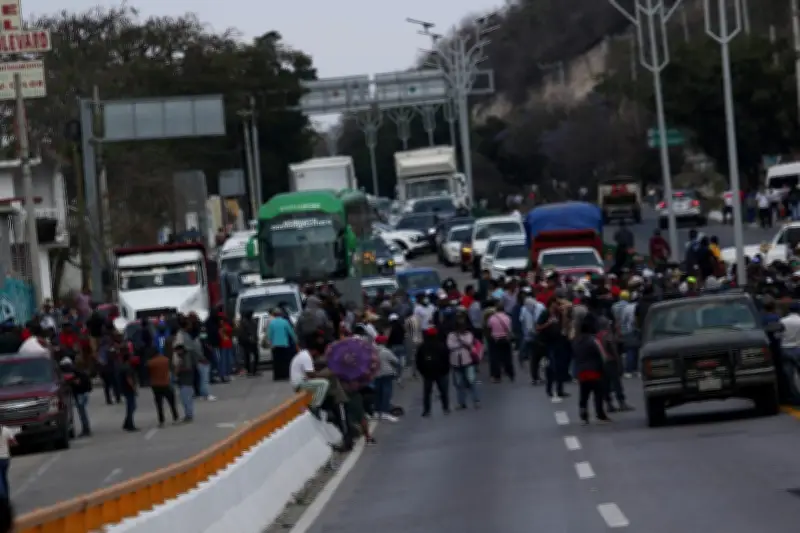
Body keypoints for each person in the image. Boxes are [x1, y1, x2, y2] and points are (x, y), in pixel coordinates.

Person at [572, 314, 611, 425]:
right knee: (598, 394)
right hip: (594, 372)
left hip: (582, 372)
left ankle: (584, 414)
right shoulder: (593, 340)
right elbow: (602, 355)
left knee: (584, 395)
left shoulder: (576, 342)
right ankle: (600, 414)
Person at [446, 310, 480, 409]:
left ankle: (476, 400)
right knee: (459, 383)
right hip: (455, 362)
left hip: (467, 361)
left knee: (471, 381)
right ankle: (461, 402)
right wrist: (460, 344)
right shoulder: (451, 335)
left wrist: (460, 340)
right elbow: (450, 346)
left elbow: (469, 343)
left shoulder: (468, 334)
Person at [416, 327, 450, 416]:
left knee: (427, 393)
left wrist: (422, 371)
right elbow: (446, 359)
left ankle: (427, 410)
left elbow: (418, 361)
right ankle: (445, 407)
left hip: (427, 373)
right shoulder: (441, 345)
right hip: (440, 372)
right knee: (443, 391)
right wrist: (445, 370)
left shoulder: (422, 346)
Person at [289, 337, 330, 410]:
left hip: (301, 382)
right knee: (324, 383)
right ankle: (314, 406)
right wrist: (324, 373)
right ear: (314, 351)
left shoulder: (303, 354)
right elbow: (311, 374)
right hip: (300, 384)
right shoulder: (306, 356)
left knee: (321, 383)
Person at [147, 346, 179, 427]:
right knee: (172, 402)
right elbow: (173, 368)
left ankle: (161, 421)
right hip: (166, 383)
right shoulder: (166, 360)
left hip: (155, 385)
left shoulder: (150, 362)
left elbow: (147, 374)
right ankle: (175, 418)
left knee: (159, 404)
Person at [62, 356, 93, 437]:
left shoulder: (76, 373)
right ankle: (86, 428)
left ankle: (86, 429)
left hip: (80, 394)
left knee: (82, 412)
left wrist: (70, 382)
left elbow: (77, 383)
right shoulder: (81, 372)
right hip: (83, 393)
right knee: (82, 412)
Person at [373, 336, 400, 422]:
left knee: (378, 393)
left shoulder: (372, 352)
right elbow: (396, 361)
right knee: (386, 393)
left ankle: (377, 411)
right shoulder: (386, 351)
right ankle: (385, 412)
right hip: (387, 374)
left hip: (376, 375)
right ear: (384, 342)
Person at [486, 303, 514, 382]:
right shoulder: (507, 317)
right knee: (507, 357)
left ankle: (497, 376)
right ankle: (510, 373)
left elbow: (489, 327)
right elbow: (510, 329)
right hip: (505, 339)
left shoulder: (492, 318)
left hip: (495, 340)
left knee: (495, 358)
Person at [268, 308, 297, 381]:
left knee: (277, 361)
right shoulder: (285, 322)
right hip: (284, 344)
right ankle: (286, 375)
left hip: (275, 345)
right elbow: (291, 332)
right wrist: (296, 340)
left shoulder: (272, 323)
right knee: (285, 360)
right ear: (281, 314)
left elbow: (269, 334)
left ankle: (277, 376)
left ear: (274, 315)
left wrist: (270, 343)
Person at [174, 344, 196, 423]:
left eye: (177, 351)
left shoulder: (185, 357)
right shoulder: (183, 357)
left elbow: (188, 368)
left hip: (186, 381)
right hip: (185, 382)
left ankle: (189, 416)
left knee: (186, 400)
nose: (176, 353)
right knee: (186, 400)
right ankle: (188, 415)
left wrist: (179, 369)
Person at [119, 350, 139, 432]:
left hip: (124, 389)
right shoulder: (128, 367)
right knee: (131, 407)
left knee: (130, 406)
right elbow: (129, 378)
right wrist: (134, 388)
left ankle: (127, 423)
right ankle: (130, 425)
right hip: (129, 389)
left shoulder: (122, 366)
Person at [238, 310, 259, 377]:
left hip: (252, 341)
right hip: (248, 342)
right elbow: (242, 333)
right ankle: (250, 371)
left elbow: (254, 331)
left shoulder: (251, 321)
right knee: (248, 356)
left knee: (253, 356)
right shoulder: (244, 322)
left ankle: (253, 370)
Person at [0, 426, 15, 497]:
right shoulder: (6, 430)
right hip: (5, 458)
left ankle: (3, 497)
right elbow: (13, 442)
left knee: (1, 480)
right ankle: (6, 497)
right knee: (4, 478)